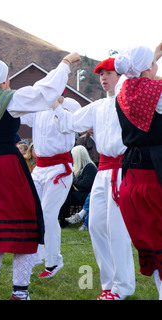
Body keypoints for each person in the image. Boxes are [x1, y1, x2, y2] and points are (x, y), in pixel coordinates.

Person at [0, 52, 80, 300]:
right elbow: (44, 92)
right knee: (28, 226)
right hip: (6, 165)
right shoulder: (10, 100)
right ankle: (19, 293)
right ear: (5, 81)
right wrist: (65, 64)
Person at [54, 57, 135, 300]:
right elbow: (69, 123)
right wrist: (55, 103)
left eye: (109, 72)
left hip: (122, 169)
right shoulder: (98, 106)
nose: (103, 77)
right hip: (102, 171)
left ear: (121, 75)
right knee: (96, 227)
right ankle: (108, 284)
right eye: (100, 73)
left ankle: (123, 287)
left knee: (117, 229)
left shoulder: (129, 101)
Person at [114, 44, 162, 299]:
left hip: (132, 177)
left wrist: (153, 55)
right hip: (156, 174)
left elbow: (142, 74)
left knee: (154, 249)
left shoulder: (123, 93)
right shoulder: (157, 93)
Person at [20, 95, 81, 278]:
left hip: (59, 167)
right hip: (40, 167)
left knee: (48, 214)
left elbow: (71, 124)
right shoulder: (38, 107)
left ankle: (53, 260)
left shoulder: (71, 104)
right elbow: (20, 113)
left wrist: (56, 104)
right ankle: (36, 255)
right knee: (32, 212)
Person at [63, 145, 97, 229]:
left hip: (85, 194)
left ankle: (63, 219)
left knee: (66, 196)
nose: (72, 158)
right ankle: (63, 218)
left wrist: (72, 179)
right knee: (64, 193)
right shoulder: (79, 166)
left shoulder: (89, 167)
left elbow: (85, 184)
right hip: (80, 193)